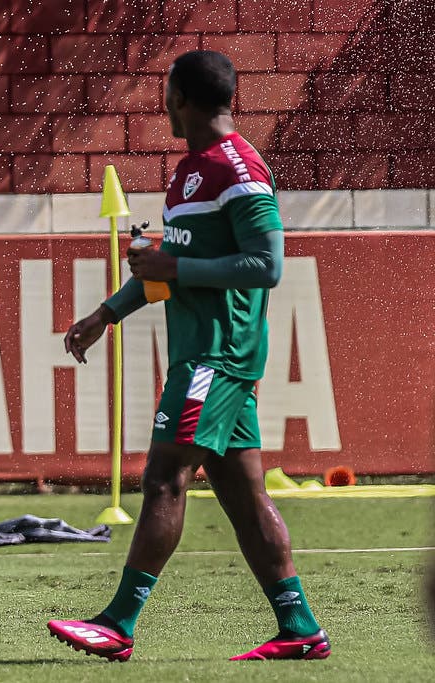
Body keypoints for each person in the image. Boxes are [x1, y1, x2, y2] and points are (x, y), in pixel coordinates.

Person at [48, 50, 329, 661]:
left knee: (163, 479)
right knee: (244, 496)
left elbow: (267, 265)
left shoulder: (239, 168)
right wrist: (107, 313)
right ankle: (299, 625)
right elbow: (172, 268)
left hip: (217, 357)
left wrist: (177, 265)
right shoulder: (189, 172)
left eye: (164, 92)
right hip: (204, 354)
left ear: (180, 98)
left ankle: (119, 622)